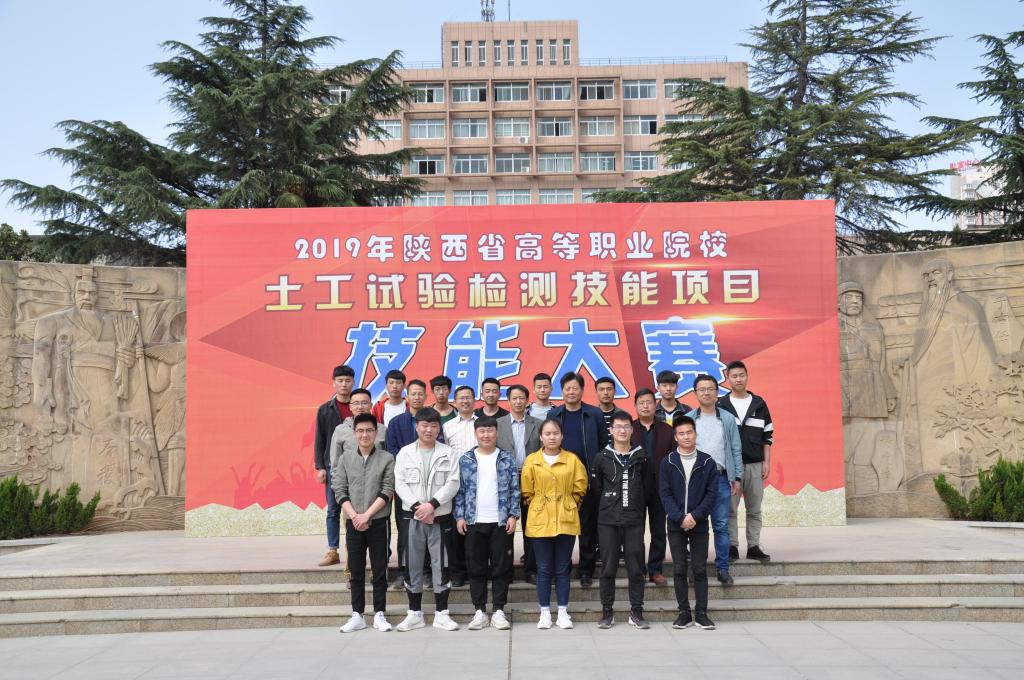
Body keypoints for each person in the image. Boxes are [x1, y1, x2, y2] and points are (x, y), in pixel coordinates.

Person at [393, 409, 462, 632]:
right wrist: (418, 508)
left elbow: (453, 482)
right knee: (412, 564)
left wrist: (431, 505)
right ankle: (414, 614)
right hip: (412, 517)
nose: (428, 430)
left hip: (439, 517)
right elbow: (400, 483)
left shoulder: (448, 453)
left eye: (433, 425)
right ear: (417, 427)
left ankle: (442, 614)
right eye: (424, 425)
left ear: (439, 428)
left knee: (441, 564)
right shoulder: (405, 453)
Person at [521, 418, 589, 630]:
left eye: (556, 433)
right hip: (540, 518)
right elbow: (527, 490)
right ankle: (544, 612)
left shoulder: (572, 460)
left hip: (565, 517)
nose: (552, 437)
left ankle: (562, 612)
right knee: (543, 568)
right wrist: (541, 505)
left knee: (562, 568)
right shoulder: (532, 460)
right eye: (548, 433)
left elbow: (580, 487)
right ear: (541, 437)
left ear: (562, 436)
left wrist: (568, 504)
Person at [454, 416, 521, 630]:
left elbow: (515, 489)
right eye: (482, 431)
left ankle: (499, 610)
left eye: (490, 430)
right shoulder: (466, 459)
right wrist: (460, 516)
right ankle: (479, 611)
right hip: (473, 522)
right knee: (476, 568)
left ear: (496, 432)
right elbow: (460, 491)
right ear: (476, 434)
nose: (486, 435)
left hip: (500, 522)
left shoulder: (506, 458)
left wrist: (513, 515)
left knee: (501, 568)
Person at [593, 411, 656, 630]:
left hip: (634, 520)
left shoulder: (642, 457)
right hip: (608, 520)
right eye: (618, 427)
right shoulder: (602, 457)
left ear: (632, 430)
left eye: (626, 427)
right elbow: (597, 490)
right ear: (611, 430)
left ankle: (636, 612)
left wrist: (636, 506)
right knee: (608, 568)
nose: (622, 431)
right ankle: (607, 612)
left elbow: (648, 489)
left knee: (636, 568)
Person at [334, 413, 395, 633]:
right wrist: (355, 516)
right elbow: (339, 489)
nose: (364, 435)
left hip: (378, 521)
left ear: (376, 433)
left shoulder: (387, 458)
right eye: (360, 431)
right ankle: (357, 614)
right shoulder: (345, 458)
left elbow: (387, 489)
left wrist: (366, 515)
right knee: (356, 570)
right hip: (354, 522)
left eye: (369, 430)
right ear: (354, 433)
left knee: (379, 569)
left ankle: (379, 613)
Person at [549, 371, 609, 588]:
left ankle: (586, 571)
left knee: (587, 529)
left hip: (588, 482)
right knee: (560, 528)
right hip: (560, 481)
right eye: (567, 388)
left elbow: (604, 446)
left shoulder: (594, 414)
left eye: (575, 388)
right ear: (562, 391)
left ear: (582, 390)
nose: (571, 392)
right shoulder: (554, 415)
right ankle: (561, 569)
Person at [660, 416, 718, 630]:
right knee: (679, 568)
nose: (686, 437)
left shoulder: (707, 462)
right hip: (676, 524)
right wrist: (680, 517)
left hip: (699, 523)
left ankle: (701, 613)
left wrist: (695, 516)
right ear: (676, 437)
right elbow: (665, 494)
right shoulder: (667, 462)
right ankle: (683, 613)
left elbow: (711, 494)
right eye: (681, 433)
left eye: (689, 432)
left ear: (696, 434)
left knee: (700, 569)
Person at [385, 379, 444, 589]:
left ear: (425, 396)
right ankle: (404, 572)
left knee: (429, 529)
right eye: (413, 394)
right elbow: (391, 450)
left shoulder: (432, 420)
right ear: (407, 396)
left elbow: (439, 446)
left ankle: (427, 572)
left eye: (420, 394)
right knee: (405, 531)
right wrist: (409, 462)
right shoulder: (396, 422)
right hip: (406, 487)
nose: (417, 397)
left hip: (430, 487)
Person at [687, 375, 743, 586]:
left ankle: (723, 569)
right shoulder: (689, 418)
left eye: (710, 389)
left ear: (717, 392)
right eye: (702, 389)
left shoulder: (727, 418)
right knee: (695, 526)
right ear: (695, 393)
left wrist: (737, 476)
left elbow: (736, 448)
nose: (706, 393)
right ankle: (696, 569)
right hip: (695, 479)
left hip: (720, 478)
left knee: (721, 525)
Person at [717, 361, 774, 563]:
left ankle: (753, 546)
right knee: (730, 509)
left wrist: (766, 462)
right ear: (728, 378)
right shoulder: (721, 405)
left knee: (754, 509)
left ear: (747, 376)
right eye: (734, 376)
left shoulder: (759, 403)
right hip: (730, 467)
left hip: (755, 465)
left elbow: (768, 436)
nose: (738, 379)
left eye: (742, 375)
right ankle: (732, 546)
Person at [496, 384, 542, 584]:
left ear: (527, 400)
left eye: (521, 398)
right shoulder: (498, 424)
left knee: (531, 528)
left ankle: (531, 569)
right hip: (505, 483)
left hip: (532, 482)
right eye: (514, 398)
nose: (518, 402)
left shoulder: (538, 424)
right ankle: (505, 571)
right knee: (505, 529)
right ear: (508, 401)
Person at [630, 388, 674, 586]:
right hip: (635, 487)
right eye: (641, 403)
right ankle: (638, 570)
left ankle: (655, 570)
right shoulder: (629, 429)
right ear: (635, 406)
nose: (646, 406)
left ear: (655, 405)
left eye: (649, 402)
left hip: (660, 487)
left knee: (658, 530)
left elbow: (673, 460)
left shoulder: (667, 430)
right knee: (636, 531)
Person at [313, 365, 355, 567]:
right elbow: (319, 439)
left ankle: (353, 549)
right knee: (333, 510)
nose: (344, 384)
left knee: (353, 510)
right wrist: (320, 466)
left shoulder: (359, 406)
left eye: (347, 380)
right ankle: (333, 550)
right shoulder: (325, 409)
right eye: (340, 380)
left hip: (356, 468)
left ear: (353, 382)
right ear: (333, 383)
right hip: (333, 467)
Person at [442, 385, 478, 587]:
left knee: (475, 528)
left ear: (474, 400)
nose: (465, 401)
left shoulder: (481, 424)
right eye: (461, 398)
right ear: (454, 402)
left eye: (468, 397)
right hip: (455, 482)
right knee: (456, 529)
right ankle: (457, 572)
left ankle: (475, 571)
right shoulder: (447, 426)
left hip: (478, 482)